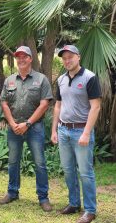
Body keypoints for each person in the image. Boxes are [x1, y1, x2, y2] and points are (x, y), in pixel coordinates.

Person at [0, 46, 53, 212]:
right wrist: (12, 123)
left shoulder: (41, 79)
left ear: (30, 58)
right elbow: (4, 102)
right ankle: (12, 192)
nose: (21, 59)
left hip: (34, 128)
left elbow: (45, 104)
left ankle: (43, 197)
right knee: (13, 161)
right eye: (18, 57)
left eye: (24, 57)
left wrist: (27, 123)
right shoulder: (9, 80)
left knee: (40, 163)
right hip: (14, 128)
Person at [51, 45, 101, 223]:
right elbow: (57, 105)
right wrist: (54, 130)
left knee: (85, 172)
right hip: (63, 130)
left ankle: (90, 210)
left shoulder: (90, 78)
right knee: (68, 170)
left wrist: (86, 133)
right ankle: (74, 204)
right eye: (64, 58)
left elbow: (95, 106)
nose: (67, 60)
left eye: (70, 57)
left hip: (81, 130)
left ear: (78, 57)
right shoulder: (61, 79)